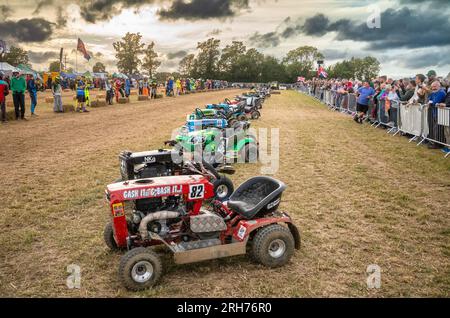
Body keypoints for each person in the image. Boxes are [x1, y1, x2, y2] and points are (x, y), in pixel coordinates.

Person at [426, 81, 446, 149]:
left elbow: (435, 102)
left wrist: (431, 102)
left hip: (439, 114)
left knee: (438, 129)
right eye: (432, 87)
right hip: (433, 113)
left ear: (439, 86)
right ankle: (434, 142)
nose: (433, 88)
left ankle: (438, 144)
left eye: (435, 86)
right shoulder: (433, 92)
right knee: (434, 129)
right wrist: (430, 102)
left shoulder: (441, 92)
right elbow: (429, 99)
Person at [437, 86, 450, 154]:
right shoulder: (448, 91)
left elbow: (447, 103)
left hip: (448, 112)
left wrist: (446, 104)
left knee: (448, 131)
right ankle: (448, 146)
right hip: (446, 114)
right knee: (446, 131)